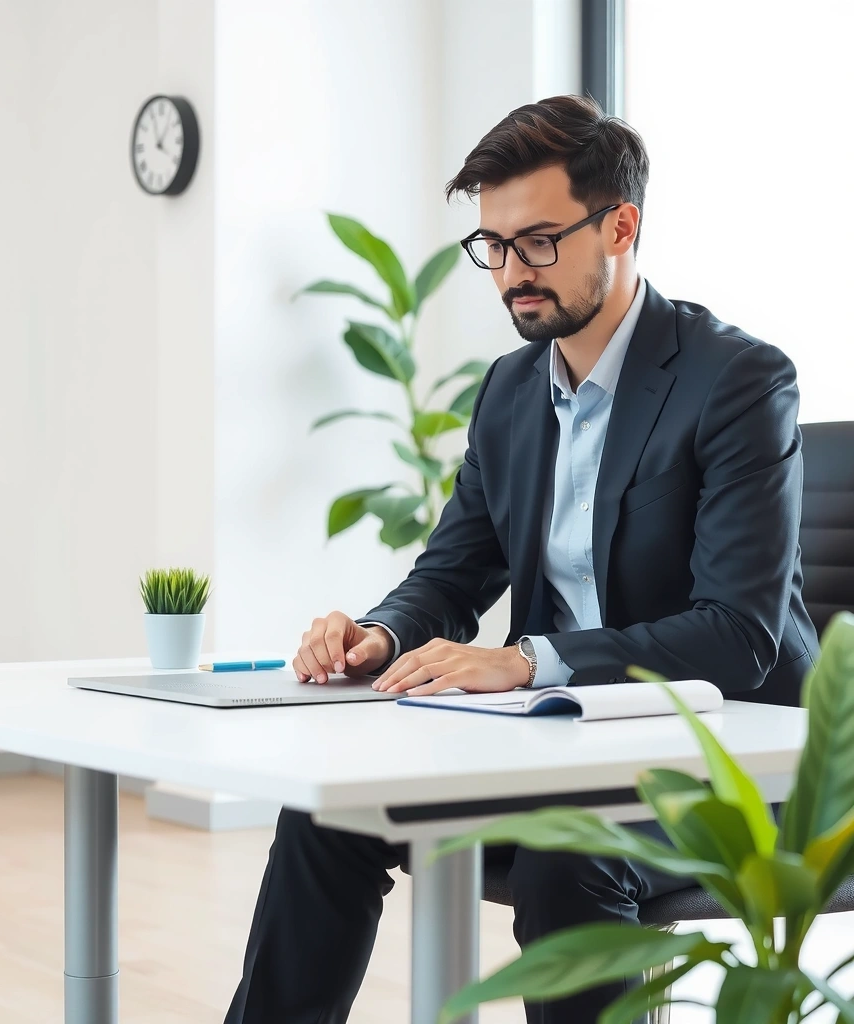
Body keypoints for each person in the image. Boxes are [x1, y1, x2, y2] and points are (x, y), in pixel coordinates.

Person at [224, 94, 819, 1024]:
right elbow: (457, 570)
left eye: (537, 242)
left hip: (728, 764)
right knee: (328, 812)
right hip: (560, 749)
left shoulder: (738, 381)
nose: (510, 274)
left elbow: (738, 634)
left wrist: (524, 663)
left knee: (567, 850)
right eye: (492, 247)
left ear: (620, 225)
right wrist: (380, 636)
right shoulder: (510, 390)